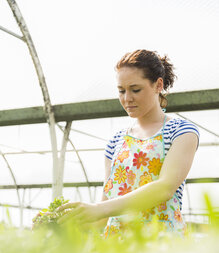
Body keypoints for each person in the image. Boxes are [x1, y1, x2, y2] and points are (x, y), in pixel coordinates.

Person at [57, 49, 199, 238]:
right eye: (121, 91)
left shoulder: (181, 131)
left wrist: (99, 209)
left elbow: (164, 188)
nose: (127, 98)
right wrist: (60, 225)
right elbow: (103, 216)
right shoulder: (116, 142)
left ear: (158, 85)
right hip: (116, 249)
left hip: (162, 247)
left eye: (135, 89)